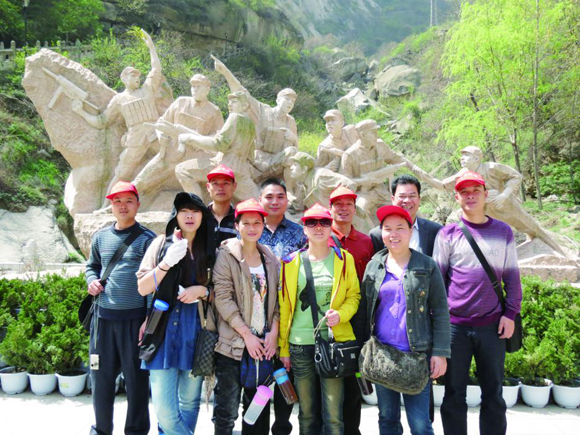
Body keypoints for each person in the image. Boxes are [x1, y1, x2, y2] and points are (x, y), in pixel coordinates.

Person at [433, 171, 522, 435]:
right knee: (453, 394)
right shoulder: (447, 234)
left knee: (493, 393)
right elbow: (437, 284)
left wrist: (510, 314)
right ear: (457, 197)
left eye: (475, 191)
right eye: (464, 192)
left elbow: (512, 277)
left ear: (485, 194)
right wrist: (438, 327)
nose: (470, 196)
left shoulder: (503, 232)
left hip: (492, 327)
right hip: (455, 329)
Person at [360, 205, 450, 435]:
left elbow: (440, 311)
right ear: (381, 233)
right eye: (387, 228)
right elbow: (364, 309)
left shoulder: (426, 266)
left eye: (400, 228)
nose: (394, 234)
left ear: (411, 231)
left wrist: (440, 353)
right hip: (383, 355)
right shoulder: (374, 265)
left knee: (420, 424)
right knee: (387, 418)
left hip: (416, 355)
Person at [136, 192, 216, 435]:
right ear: (176, 216)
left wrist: (202, 291)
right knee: (165, 412)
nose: (189, 216)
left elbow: (222, 293)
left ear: (203, 216)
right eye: (184, 211)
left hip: (196, 331)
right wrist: (166, 263)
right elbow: (143, 288)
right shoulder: (161, 244)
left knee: (189, 403)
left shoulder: (210, 249)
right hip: (162, 330)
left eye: (195, 211)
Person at [278, 203, 361, 435]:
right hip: (300, 344)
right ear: (304, 228)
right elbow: (284, 308)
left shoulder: (344, 259)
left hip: (333, 345)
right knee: (307, 414)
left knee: (333, 415)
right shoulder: (290, 263)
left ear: (330, 226)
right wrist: (283, 348)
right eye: (311, 222)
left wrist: (341, 314)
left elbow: (354, 296)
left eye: (324, 222)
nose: (318, 227)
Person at [85, 181, 156, 435]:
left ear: (138, 204)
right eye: (117, 201)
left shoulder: (148, 239)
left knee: (137, 383)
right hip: (102, 321)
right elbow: (92, 266)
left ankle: (136, 431)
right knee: (100, 380)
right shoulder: (100, 237)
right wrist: (91, 281)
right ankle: (101, 430)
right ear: (111, 206)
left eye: (128, 201)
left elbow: (153, 283)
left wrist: (148, 319)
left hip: (134, 323)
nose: (123, 206)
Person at [410, 145, 565, 256]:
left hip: (506, 203)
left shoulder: (491, 167)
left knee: (530, 226)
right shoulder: (463, 174)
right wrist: (414, 169)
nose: (462, 158)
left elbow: (516, 176)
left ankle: (561, 253)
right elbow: (442, 185)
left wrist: (504, 195)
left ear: (476, 158)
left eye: (466, 155)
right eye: (462, 155)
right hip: (488, 210)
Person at [72, 30, 170, 205]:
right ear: (124, 78)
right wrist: (80, 112)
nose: (137, 78)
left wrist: (151, 46)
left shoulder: (147, 89)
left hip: (155, 132)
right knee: (122, 173)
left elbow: (156, 69)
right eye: (133, 75)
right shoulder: (119, 99)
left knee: (172, 155)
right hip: (135, 138)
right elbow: (102, 122)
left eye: (138, 75)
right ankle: (105, 205)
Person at [212, 198, 281, 435]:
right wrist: (246, 335)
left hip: (263, 344)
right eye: (246, 223)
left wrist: (274, 332)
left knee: (258, 409)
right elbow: (223, 298)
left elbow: (278, 299)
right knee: (227, 410)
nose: (252, 228)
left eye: (257, 223)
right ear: (237, 225)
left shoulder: (269, 257)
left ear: (263, 225)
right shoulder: (226, 254)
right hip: (233, 344)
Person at [132, 73, 224, 203]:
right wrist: (161, 136)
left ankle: (198, 207)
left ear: (207, 88)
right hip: (171, 153)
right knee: (143, 177)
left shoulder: (214, 111)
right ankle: (120, 200)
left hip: (195, 156)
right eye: (193, 86)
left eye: (198, 86)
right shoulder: (181, 102)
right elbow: (161, 123)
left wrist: (198, 140)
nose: (194, 89)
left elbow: (218, 139)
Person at [327, 185, 374, 435]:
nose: (343, 208)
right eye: (338, 204)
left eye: (348, 204)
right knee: (328, 377)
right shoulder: (321, 237)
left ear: (355, 209)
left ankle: (352, 429)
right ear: (330, 209)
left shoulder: (366, 242)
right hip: (328, 319)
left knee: (354, 380)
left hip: (357, 321)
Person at [213, 55, 298, 180]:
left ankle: (289, 189)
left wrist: (294, 139)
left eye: (293, 101)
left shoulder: (291, 122)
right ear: (278, 100)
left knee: (292, 152)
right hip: (258, 162)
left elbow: (295, 150)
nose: (290, 103)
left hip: (278, 163)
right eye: (287, 99)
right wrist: (225, 72)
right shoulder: (262, 110)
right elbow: (242, 93)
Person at [369, 175, 442, 256]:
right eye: (402, 196)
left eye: (412, 196)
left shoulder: (435, 230)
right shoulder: (376, 235)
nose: (407, 200)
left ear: (419, 199)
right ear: (392, 199)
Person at [258, 178, 308, 259]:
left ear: (287, 200)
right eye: (269, 197)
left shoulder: (300, 233)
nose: (275, 202)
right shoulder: (250, 231)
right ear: (260, 200)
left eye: (280, 197)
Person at [206, 164, 238, 246]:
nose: (220, 188)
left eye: (226, 183)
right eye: (215, 183)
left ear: (234, 186)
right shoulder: (201, 216)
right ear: (208, 187)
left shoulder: (239, 219)